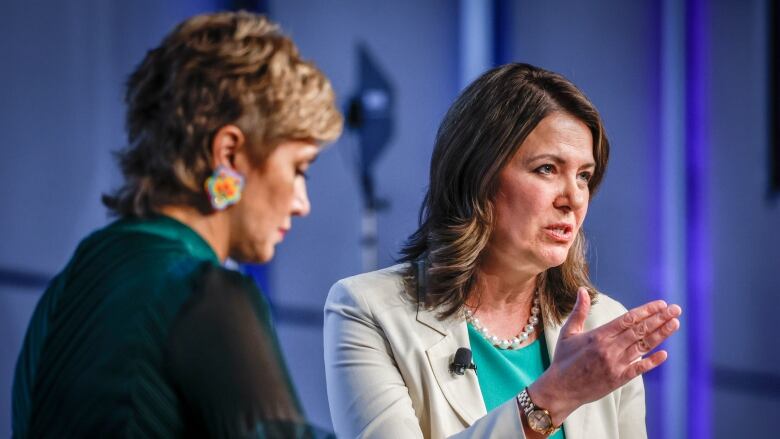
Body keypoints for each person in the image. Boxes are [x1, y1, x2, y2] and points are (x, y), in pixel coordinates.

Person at [12, 11, 342, 438]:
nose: (303, 204)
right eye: (300, 169)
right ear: (229, 154)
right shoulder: (204, 292)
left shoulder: (70, 283)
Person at [323, 63, 682, 438]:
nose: (574, 198)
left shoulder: (604, 327)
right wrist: (553, 396)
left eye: (584, 176)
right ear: (477, 177)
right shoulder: (368, 311)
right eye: (546, 169)